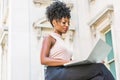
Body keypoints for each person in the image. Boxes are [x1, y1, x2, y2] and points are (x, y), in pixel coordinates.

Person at [40, 1, 115, 80]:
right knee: (100, 67)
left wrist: (90, 62)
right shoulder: (49, 37)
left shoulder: (63, 42)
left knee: (99, 78)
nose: (67, 25)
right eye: (64, 22)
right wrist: (66, 62)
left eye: (68, 23)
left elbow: (71, 62)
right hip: (55, 73)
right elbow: (43, 60)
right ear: (54, 22)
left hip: (65, 70)